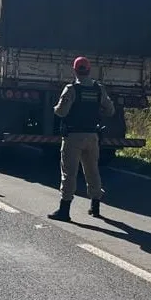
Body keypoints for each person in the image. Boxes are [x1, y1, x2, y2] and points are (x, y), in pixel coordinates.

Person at [47, 56, 115, 222]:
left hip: (73, 137)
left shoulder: (71, 89)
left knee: (69, 173)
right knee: (92, 170)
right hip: (92, 137)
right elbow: (110, 110)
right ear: (89, 69)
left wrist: (55, 108)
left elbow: (62, 112)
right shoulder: (99, 89)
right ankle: (95, 206)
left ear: (75, 70)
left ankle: (64, 210)